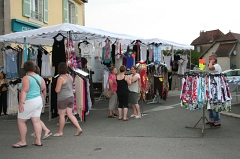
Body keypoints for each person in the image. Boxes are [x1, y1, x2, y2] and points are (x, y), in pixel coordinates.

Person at [12, 61, 46, 148]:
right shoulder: (39, 77)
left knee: (21, 121)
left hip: (29, 101)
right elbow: (43, 88)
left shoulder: (26, 78)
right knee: (36, 120)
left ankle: (23, 141)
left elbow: (24, 90)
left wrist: (21, 103)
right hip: (38, 100)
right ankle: (38, 141)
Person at [53, 62, 83, 137]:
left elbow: (57, 90)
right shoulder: (70, 76)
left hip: (63, 98)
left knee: (62, 115)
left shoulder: (60, 78)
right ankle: (79, 128)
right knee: (70, 114)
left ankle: (60, 132)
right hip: (71, 97)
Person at [30, 66, 52, 139]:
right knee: (36, 116)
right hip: (40, 97)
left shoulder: (31, 79)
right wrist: (45, 98)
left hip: (35, 98)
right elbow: (44, 89)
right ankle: (36, 131)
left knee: (35, 117)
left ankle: (45, 129)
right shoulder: (41, 79)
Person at [207, 54, 222, 127]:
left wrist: (211, 62)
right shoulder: (213, 66)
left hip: (216, 88)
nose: (209, 60)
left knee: (216, 104)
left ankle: (217, 120)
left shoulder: (217, 66)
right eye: (209, 59)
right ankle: (212, 119)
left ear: (214, 59)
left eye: (211, 59)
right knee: (210, 104)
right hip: (211, 88)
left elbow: (210, 67)